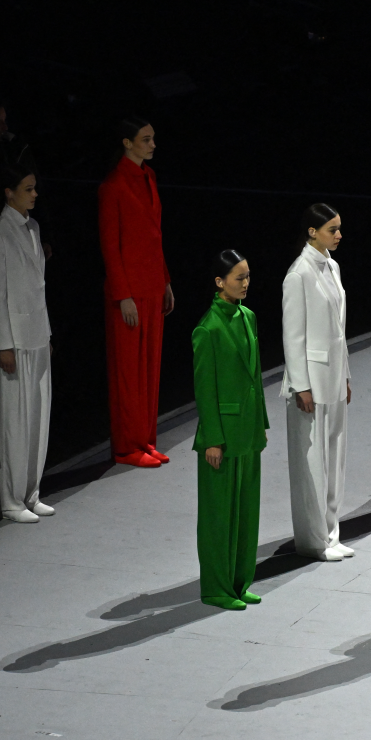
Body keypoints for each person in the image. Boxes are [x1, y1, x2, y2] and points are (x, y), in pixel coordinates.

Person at [192, 250, 269, 611]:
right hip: (221, 435)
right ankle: (216, 588)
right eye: (239, 277)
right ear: (220, 282)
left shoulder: (248, 317)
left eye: (248, 276)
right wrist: (212, 439)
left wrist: (261, 423)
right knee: (218, 516)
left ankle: (240, 582)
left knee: (246, 511)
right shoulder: (207, 329)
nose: (245, 283)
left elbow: (255, 376)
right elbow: (205, 390)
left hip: (248, 430)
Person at [99, 116, 174, 468]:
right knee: (129, 371)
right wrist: (122, 294)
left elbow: (155, 234)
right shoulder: (113, 186)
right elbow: (110, 246)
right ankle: (127, 445)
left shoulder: (149, 177)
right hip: (129, 290)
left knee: (149, 368)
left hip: (152, 284)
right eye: (146, 139)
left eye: (152, 138)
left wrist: (165, 280)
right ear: (127, 143)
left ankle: (145, 438)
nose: (153, 144)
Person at [281, 204, 354, 561]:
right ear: (312, 232)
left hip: (334, 377)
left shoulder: (332, 266)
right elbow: (293, 336)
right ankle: (313, 540)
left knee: (334, 459)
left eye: (339, 228)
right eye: (332, 229)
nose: (339, 235)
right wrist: (301, 386)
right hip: (310, 381)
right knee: (312, 463)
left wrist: (346, 374)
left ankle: (331, 533)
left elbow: (339, 330)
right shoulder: (298, 274)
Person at [0, 165, 54, 523]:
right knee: (13, 419)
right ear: (9, 192)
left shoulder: (33, 228)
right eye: (28, 188)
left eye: (34, 187)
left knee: (38, 417)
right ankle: (9, 499)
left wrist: (47, 333)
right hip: (14, 339)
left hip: (37, 334)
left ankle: (30, 492)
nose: (34, 194)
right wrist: (4, 344)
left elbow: (37, 287)